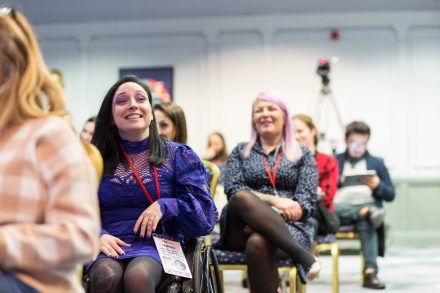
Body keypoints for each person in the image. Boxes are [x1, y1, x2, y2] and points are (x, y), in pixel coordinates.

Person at [0, 6, 100, 293]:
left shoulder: (48, 135)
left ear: (12, 67)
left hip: (30, 283)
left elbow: (80, 237)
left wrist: (4, 244)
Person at [87, 76, 217, 293]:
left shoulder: (178, 155)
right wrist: (95, 235)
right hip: (109, 242)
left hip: (159, 244)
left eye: (140, 99)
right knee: (106, 276)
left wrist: (166, 205)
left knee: (138, 276)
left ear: (151, 113)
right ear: (110, 117)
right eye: (122, 101)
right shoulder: (95, 158)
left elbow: (205, 218)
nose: (133, 105)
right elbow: (76, 209)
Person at [220, 91, 321, 293]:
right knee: (241, 196)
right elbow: (233, 189)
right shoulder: (240, 151)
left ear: (284, 117)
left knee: (259, 241)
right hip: (239, 227)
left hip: (290, 225)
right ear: (253, 119)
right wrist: (276, 201)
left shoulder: (302, 154)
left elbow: (306, 201)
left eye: (271, 109)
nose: (264, 114)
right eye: (259, 110)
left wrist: (268, 219)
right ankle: (303, 256)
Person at [334, 121, 395, 289]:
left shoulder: (377, 163)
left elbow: (391, 195)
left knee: (367, 220)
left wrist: (377, 186)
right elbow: (322, 191)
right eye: (354, 142)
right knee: (363, 214)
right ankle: (364, 212)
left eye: (362, 143)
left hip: (367, 208)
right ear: (346, 140)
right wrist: (336, 182)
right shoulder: (335, 161)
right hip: (339, 210)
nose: (358, 146)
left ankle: (370, 272)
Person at [292, 114, 340, 236]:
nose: (296, 136)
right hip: (293, 212)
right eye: (292, 133)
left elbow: (328, 197)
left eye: (300, 131)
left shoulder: (328, 160)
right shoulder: (286, 162)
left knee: (308, 221)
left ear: (313, 131)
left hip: (322, 214)